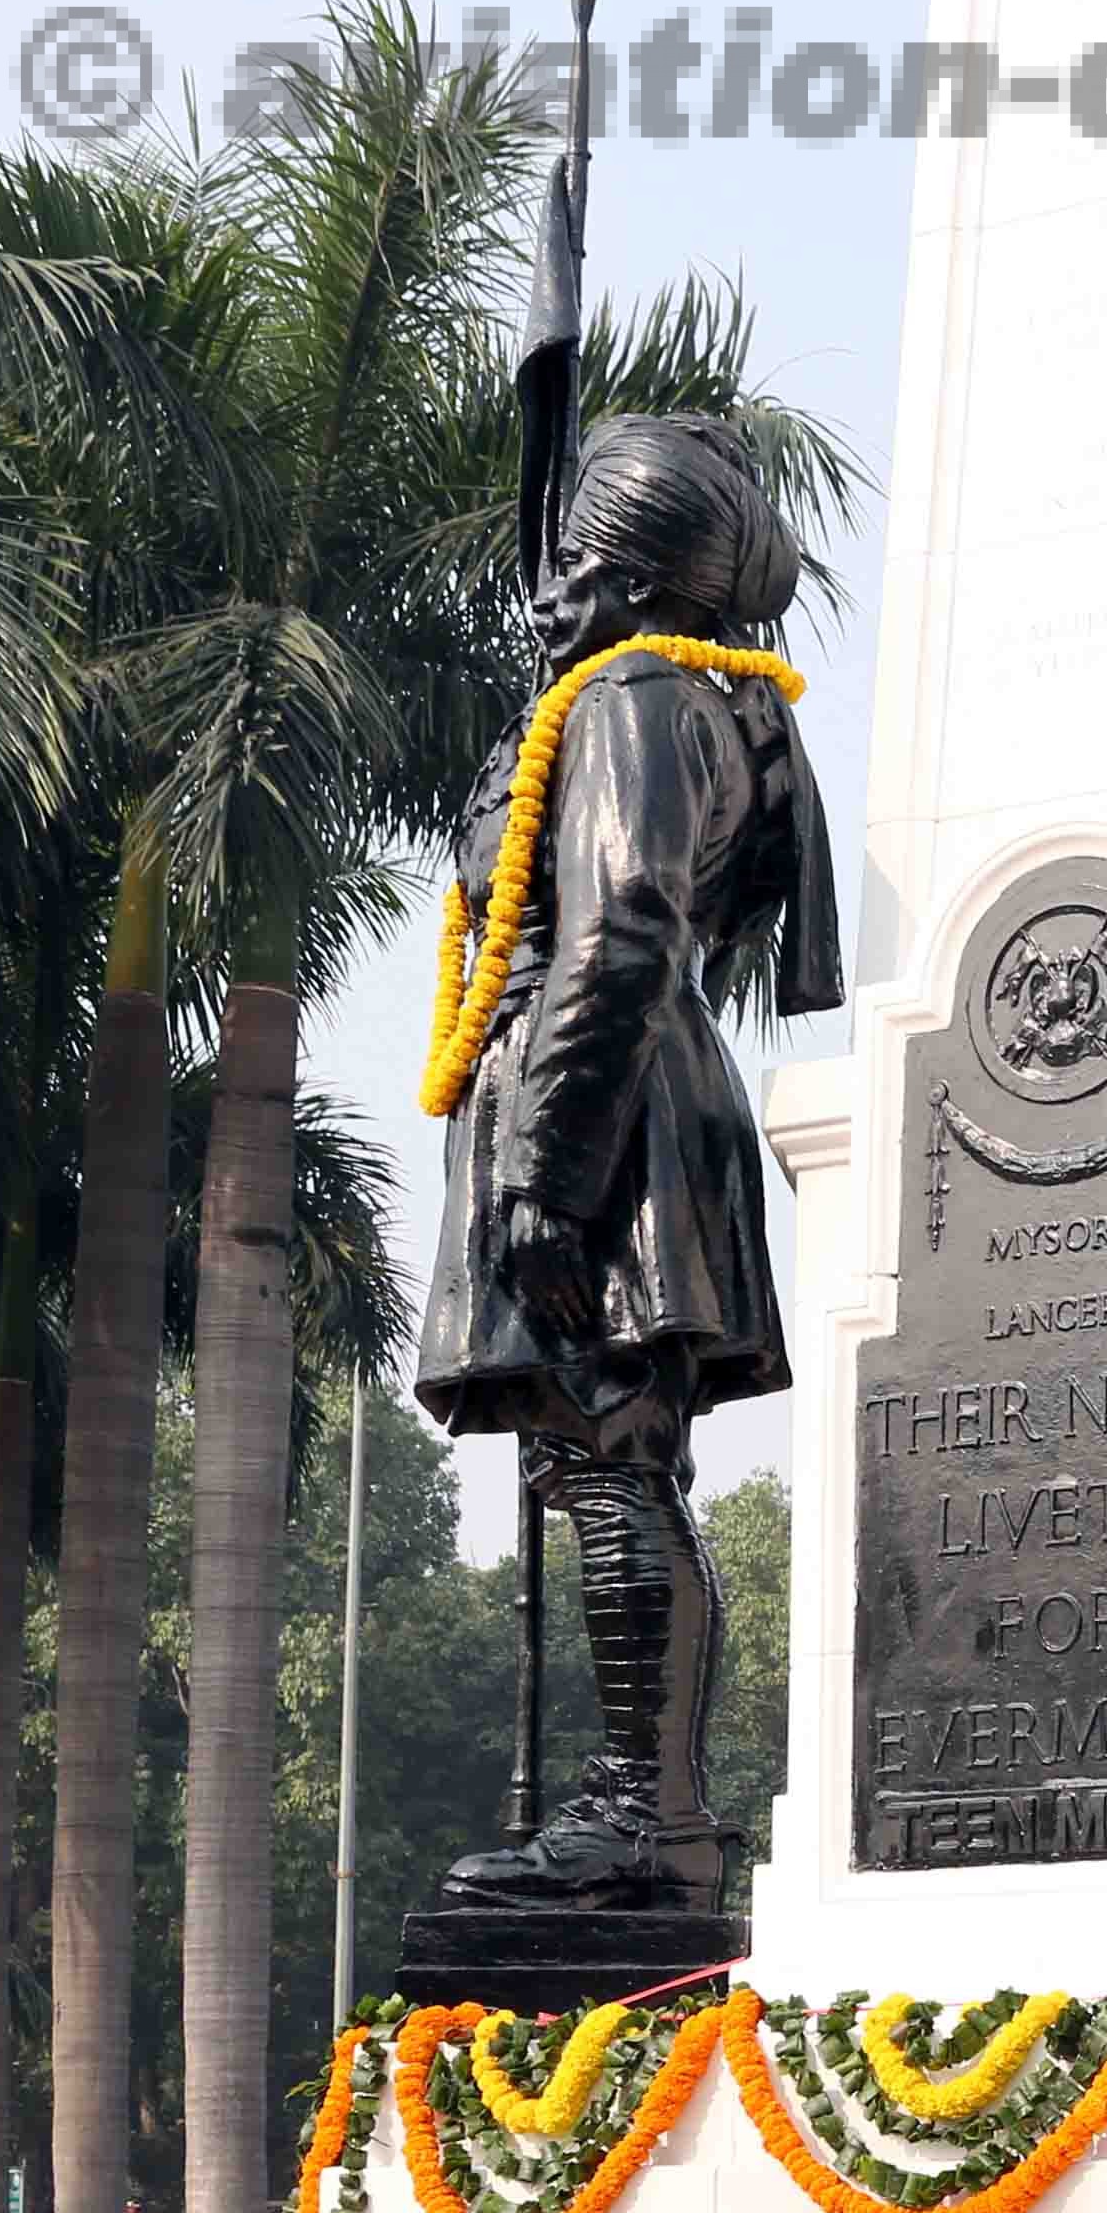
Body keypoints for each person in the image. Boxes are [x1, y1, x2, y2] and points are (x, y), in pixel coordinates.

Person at [414, 413, 841, 1909]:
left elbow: (624, 928)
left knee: (612, 1458)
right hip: (616, 1089)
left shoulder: (636, 701)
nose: (545, 597)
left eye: (577, 566)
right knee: (597, 1459)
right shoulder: (650, 695)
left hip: (606, 1101)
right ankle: (634, 1809)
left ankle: (643, 1814)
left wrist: (546, 1160)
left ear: (644, 579)